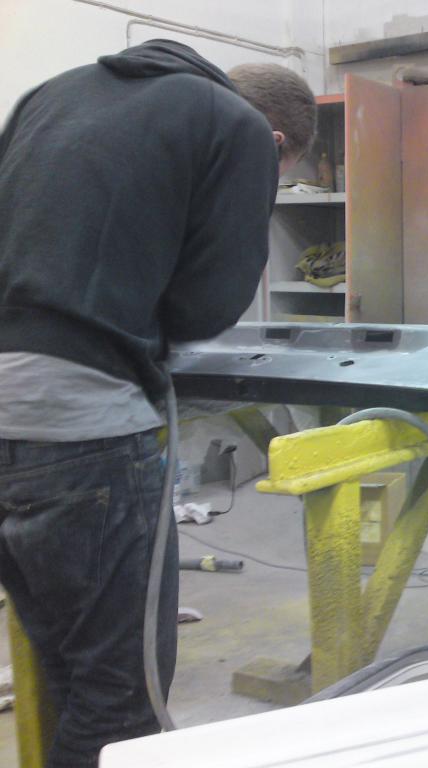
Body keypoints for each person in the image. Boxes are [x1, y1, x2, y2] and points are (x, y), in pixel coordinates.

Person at [0, 40, 315, 767]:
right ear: (276, 143)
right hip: (79, 427)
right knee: (122, 703)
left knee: (67, 670)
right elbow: (209, 302)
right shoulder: (237, 129)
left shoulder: (56, 94)